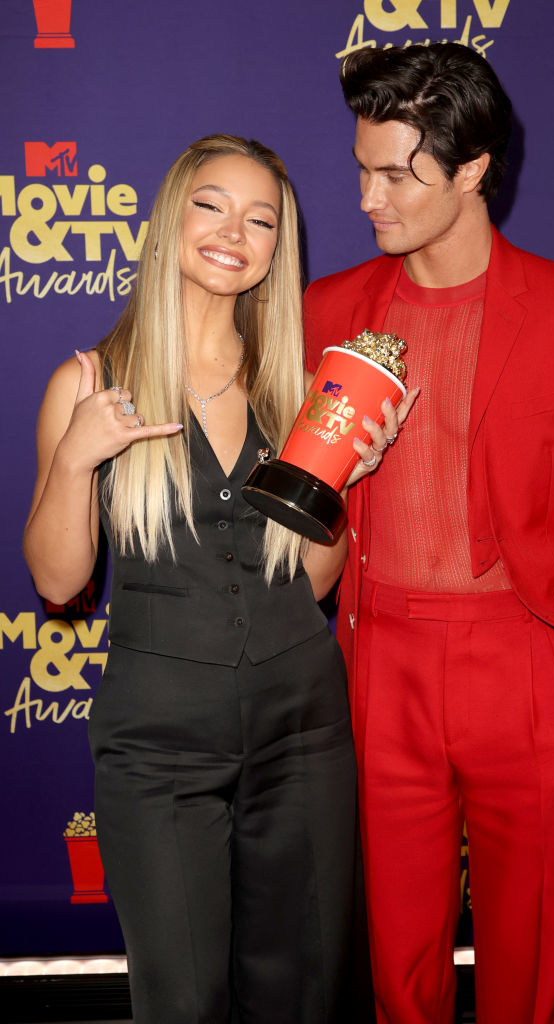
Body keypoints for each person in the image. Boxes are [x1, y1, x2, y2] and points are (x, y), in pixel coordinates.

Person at [304, 44, 554, 1024]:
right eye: (362, 167)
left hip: (532, 661)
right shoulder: (327, 310)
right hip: (381, 668)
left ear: (470, 168)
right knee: (396, 970)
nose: (368, 196)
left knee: (529, 972)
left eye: (396, 174)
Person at [23, 133, 387, 1024]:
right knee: (182, 998)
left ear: (276, 250)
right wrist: (76, 461)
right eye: (212, 205)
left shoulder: (302, 387)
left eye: (261, 219)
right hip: (158, 745)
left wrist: (342, 483)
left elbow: (311, 582)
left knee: (303, 994)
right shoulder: (89, 382)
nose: (235, 231)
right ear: (168, 219)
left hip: (303, 730)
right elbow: (58, 581)